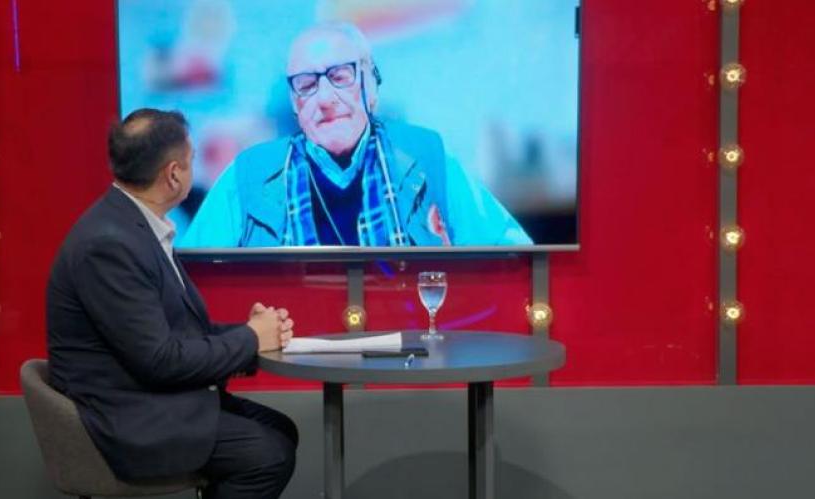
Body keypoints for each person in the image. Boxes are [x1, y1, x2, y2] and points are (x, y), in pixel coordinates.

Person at [46, 109, 297, 499]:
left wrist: (254, 333)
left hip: (154, 400)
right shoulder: (109, 244)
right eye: (193, 158)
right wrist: (250, 338)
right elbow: (160, 360)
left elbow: (179, 334)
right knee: (268, 454)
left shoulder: (134, 225)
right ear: (174, 174)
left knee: (280, 431)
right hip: (128, 418)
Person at [178, 22, 533, 248]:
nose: (324, 99)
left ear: (371, 85)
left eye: (340, 76)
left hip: (407, 340)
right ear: (295, 102)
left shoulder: (428, 158)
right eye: (306, 84)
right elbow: (191, 283)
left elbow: (514, 259)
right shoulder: (247, 175)